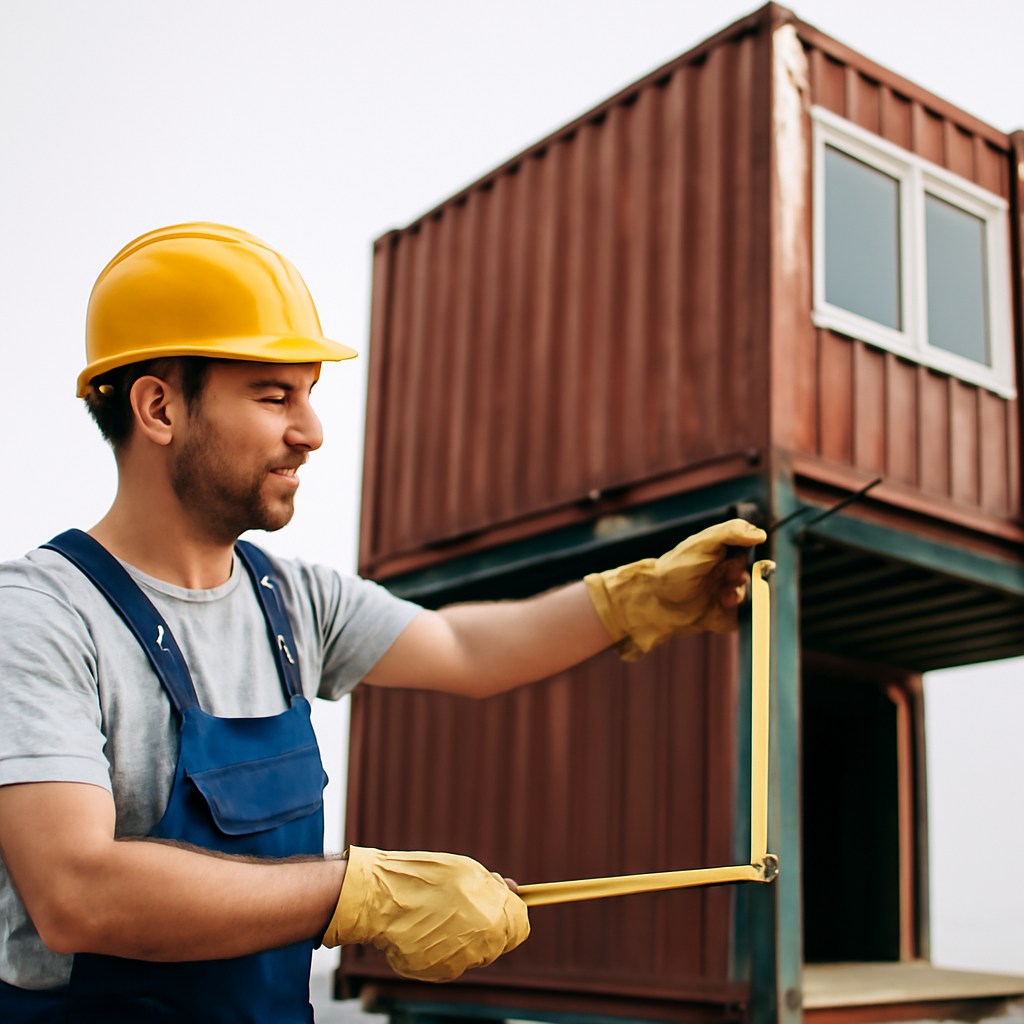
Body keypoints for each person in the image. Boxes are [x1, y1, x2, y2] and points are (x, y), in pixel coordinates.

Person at [0, 223, 766, 1023]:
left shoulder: (292, 602)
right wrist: (358, 895)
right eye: (274, 396)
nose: (312, 432)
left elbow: (469, 650)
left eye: (310, 396)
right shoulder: (42, 615)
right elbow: (75, 891)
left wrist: (633, 598)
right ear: (158, 406)